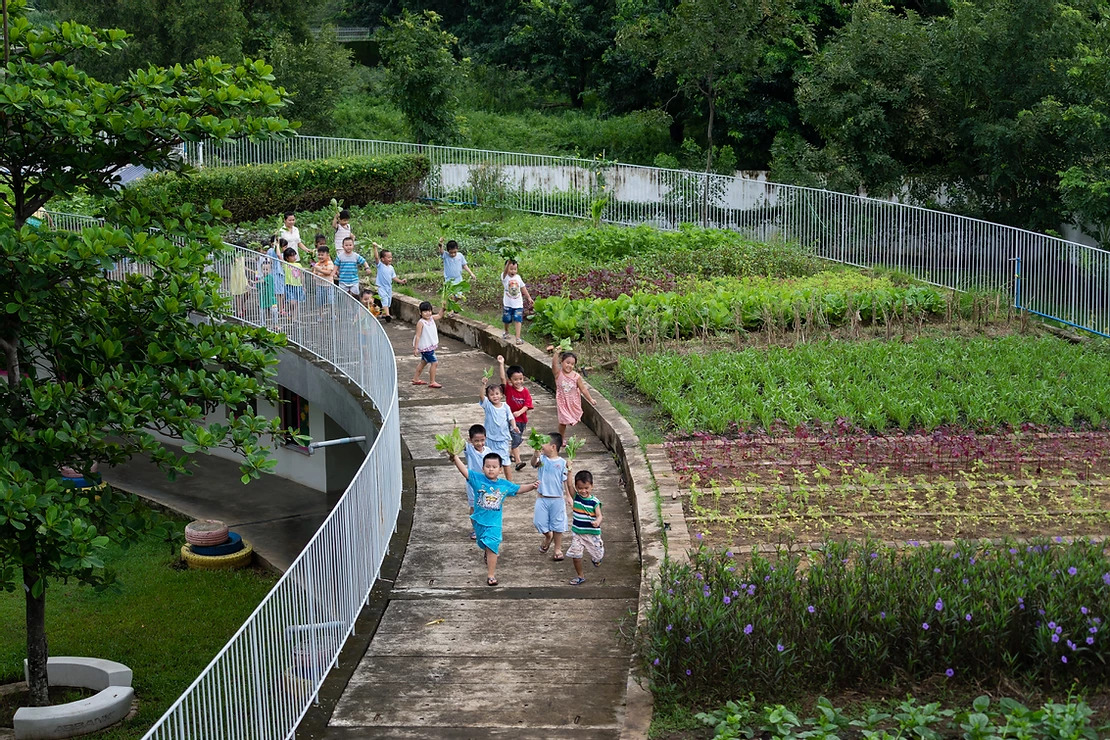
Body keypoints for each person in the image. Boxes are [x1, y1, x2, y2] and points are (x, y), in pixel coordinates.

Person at [447, 450, 537, 587]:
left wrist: (532, 486)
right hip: (479, 521)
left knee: (492, 545)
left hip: (494, 523)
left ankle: (491, 575)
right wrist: (454, 457)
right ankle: (487, 552)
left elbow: (518, 489)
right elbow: (464, 470)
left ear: (500, 470)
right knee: (484, 543)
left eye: (494, 467)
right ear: (483, 468)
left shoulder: (504, 485)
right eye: (488, 466)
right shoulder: (477, 479)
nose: (491, 469)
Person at [531, 431, 569, 562]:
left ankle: (557, 549)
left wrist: (568, 496)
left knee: (558, 525)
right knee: (538, 522)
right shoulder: (542, 459)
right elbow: (533, 463)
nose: (541, 445)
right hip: (542, 497)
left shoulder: (563, 463)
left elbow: (565, 480)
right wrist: (535, 456)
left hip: (557, 498)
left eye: (544, 443)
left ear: (553, 447)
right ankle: (548, 536)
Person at [566, 469, 603, 585]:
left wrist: (597, 521)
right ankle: (580, 576)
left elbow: (599, 515)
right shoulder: (576, 497)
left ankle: (596, 559)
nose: (583, 491)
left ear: (592, 486)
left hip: (592, 534)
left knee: (598, 555)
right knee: (576, 556)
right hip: (578, 533)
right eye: (580, 488)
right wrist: (569, 472)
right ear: (577, 487)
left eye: (586, 488)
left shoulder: (594, 502)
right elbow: (569, 484)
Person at [498, 357, 534, 471]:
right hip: (511, 420)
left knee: (516, 439)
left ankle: (511, 454)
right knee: (516, 439)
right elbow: (502, 377)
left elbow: (528, 405)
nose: (518, 382)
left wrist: (519, 412)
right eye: (515, 379)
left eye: (520, 379)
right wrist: (501, 364)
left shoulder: (525, 391)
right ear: (510, 380)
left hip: (522, 420)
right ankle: (518, 461)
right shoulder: (508, 389)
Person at [480, 375, 516, 482]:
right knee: (489, 462)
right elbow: (481, 396)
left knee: (505, 462)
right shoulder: (488, 406)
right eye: (491, 395)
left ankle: (510, 484)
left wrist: (514, 426)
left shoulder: (505, 406)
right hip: (490, 439)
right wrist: (483, 385)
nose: (495, 396)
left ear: (502, 395)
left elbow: (511, 418)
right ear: (488, 397)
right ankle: (489, 481)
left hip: (503, 439)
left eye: (497, 394)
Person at [551, 349, 595, 437]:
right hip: (562, 402)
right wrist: (556, 353)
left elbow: (583, 389)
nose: (569, 365)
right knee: (563, 421)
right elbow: (554, 365)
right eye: (567, 362)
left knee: (573, 419)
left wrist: (590, 399)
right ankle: (561, 438)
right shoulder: (558, 374)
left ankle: (570, 420)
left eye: (572, 364)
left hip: (573, 402)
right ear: (562, 362)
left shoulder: (576, 377)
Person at [412, 300, 446, 388]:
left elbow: (439, 315)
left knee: (423, 362)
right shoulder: (421, 323)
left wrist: (444, 308)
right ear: (420, 312)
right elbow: (418, 336)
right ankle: (432, 381)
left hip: (429, 346)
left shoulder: (431, 318)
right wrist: (416, 348)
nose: (428, 313)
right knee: (435, 363)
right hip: (426, 347)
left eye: (429, 311)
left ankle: (416, 379)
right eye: (425, 311)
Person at [371, 242, 407, 322]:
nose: (390, 259)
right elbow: (376, 258)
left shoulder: (391, 268)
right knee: (384, 300)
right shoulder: (380, 266)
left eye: (391, 257)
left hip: (388, 287)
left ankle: (384, 314)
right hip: (381, 287)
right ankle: (387, 315)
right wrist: (375, 248)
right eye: (388, 257)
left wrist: (401, 281)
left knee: (388, 301)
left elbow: (394, 277)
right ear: (383, 259)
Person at [463, 424, 488, 541]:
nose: (479, 443)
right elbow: (458, 442)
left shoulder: (489, 451)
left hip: (486, 483)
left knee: (486, 506)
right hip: (472, 484)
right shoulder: (469, 450)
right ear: (470, 440)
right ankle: (475, 529)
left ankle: (485, 527)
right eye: (476, 441)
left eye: (482, 440)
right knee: (474, 507)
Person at [501, 258, 533, 345]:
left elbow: (523, 288)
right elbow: (504, 272)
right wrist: (509, 261)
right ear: (506, 268)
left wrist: (528, 297)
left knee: (518, 319)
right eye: (511, 269)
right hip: (508, 304)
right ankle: (506, 332)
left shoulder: (518, 277)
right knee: (507, 319)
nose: (513, 271)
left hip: (518, 304)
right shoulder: (504, 277)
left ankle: (518, 338)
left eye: (515, 269)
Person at [312, 244, 337, 317]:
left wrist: (319, 270)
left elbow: (329, 273)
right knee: (319, 302)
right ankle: (320, 315)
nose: (320, 256)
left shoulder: (329, 263)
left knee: (330, 301)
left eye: (322, 255)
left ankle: (332, 314)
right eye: (319, 255)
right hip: (319, 285)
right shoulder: (317, 264)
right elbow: (314, 274)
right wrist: (315, 273)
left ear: (327, 255)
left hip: (328, 285)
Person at [256, 245, 277, 326]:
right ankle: (262, 324)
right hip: (263, 298)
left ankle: (275, 324)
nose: (265, 271)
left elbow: (262, 281)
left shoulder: (270, 277)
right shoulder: (261, 277)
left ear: (270, 270)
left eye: (267, 269)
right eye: (264, 269)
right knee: (262, 312)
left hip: (271, 298)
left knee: (274, 311)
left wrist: (254, 282)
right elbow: (258, 287)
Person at [266, 236, 287, 315]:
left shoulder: (282, 253)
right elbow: (276, 256)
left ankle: (281, 308)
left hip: (280, 274)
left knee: (281, 292)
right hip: (275, 274)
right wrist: (277, 244)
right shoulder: (272, 250)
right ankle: (276, 309)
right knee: (276, 293)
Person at [283, 247, 304, 322]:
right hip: (289, 285)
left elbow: (301, 275)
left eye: (294, 255)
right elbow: (279, 255)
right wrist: (277, 243)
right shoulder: (285, 264)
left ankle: (294, 318)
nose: (294, 257)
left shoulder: (298, 264)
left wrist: (303, 285)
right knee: (292, 302)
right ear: (287, 258)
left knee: (297, 303)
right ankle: (288, 312)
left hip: (298, 285)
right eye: (291, 256)